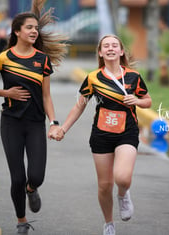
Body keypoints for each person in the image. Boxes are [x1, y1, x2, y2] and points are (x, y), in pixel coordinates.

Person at [0, 0, 67, 235]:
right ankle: (21, 221)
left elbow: (46, 95)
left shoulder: (42, 60)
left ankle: (31, 190)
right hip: (11, 123)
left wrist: (54, 122)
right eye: (29, 27)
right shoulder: (4, 58)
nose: (34, 31)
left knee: (36, 176)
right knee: (17, 177)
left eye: (36, 28)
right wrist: (6, 93)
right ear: (16, 31)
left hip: (35, 123)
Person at [53, 34, 152, 235]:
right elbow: (79, 106)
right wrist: (63, 128)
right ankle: (109, 224)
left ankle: (123, 194)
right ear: (100, 52)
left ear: (121, 51)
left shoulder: (133, 77)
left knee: (122, 178)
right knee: (104, 185)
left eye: (115, 45)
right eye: (106, 46)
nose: (110, 48)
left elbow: (148, 100)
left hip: (127, 132)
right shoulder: (93, 78)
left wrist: (137, 101)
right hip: (101, 134)